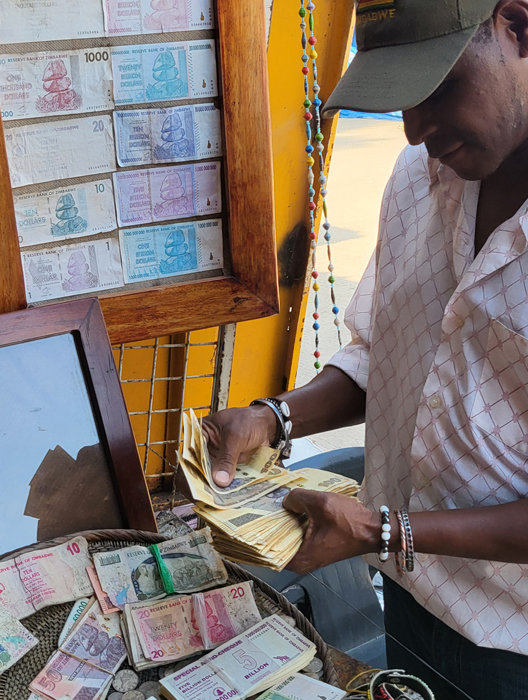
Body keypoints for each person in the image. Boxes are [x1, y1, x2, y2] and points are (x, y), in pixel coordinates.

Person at [202, 1, 528, 697]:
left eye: (433, 86)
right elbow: (386, 352)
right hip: (409, 593)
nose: (413, 128)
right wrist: (274, 417)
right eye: (397, 97)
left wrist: (385, 531)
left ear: (519, 28)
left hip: (513, 643)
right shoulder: (418, 176)